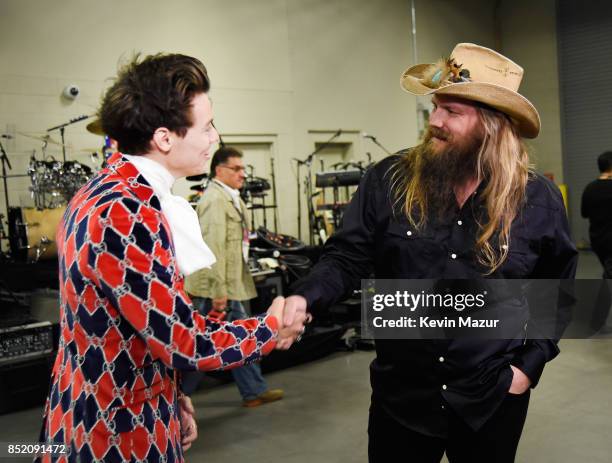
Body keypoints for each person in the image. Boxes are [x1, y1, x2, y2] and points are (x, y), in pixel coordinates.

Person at [281, 43, 577, 462]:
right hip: (401, 399)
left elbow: (558, 290)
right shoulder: (387, 181)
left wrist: (527, 368)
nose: (434, 121)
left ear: (491, 125)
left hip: (490, 401)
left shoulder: (538, 200)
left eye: (452, 112)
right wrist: (303, 296)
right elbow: (346, 258)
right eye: (435, 106)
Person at [37, 53, 306, 463]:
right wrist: (270, 330)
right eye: (207, 125)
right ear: (165, 138)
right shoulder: (127, 210)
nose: (215, 137)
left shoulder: (106, 192)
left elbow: (136, 325)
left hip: (105, 410)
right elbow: (182, 340)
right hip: (114, 431)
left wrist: (172, 393)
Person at [183, 146, 284, 407]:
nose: (242, 174)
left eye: (243, 168)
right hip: (214, 288)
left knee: (236, 339)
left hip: (227, 284)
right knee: (201, 348)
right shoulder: (215, 200)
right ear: (219, 170)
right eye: (236, 168)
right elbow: (212, 249)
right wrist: (219, 292)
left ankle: (253, 391)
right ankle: (174, 400)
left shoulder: (230, 196)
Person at [581, 151, 612, 334]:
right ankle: (596, 322)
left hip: (598, 240)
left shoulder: (589, 188)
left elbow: (584, 213)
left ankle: (597, 321)